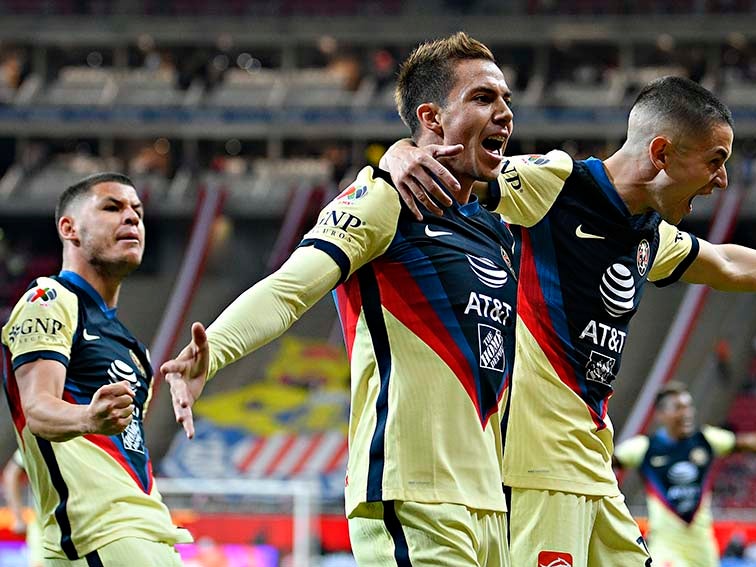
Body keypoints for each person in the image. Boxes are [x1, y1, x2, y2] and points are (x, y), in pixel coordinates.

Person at [381, 75, 756, 567]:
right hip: (533, 468)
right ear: (661, 153)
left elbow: (723, 263)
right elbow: (459, 167)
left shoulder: (648, 234)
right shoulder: (557, 184)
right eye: (716, 161)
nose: (721, 180)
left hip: (592, 468)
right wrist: (398, 154)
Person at [161, 33, 517, 566]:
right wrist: (215, 349)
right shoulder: (383, 197)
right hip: (410, 492)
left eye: (506, 99)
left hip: (489, 502)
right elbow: (289, 288)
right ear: (432, 117)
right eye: (483, 99)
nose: (505, 114)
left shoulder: (498, 231)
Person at [1, 172, 191, 566]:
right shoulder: (48, 299)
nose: (132, 218)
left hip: (141, 532)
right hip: (106, 535)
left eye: (137, 211)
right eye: (112, 207)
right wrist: (88, 416)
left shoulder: (131, 346)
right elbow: (37, 408)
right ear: (69, 228)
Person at [613, 381, 756, 567]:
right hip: (665, 545)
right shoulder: (643, 448)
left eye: (688, 406)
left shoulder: (706, 440)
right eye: (679, 407)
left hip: (702, 545)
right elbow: (604, 460)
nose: (687, 413)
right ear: (661, 414)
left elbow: (751, 443)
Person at [3, 450, 43, 567]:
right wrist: (18, 517)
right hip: (44, 528)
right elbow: (11, 474)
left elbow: (10, 474)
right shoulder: (37, 438)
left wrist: (18, 519)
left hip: (81, 527)